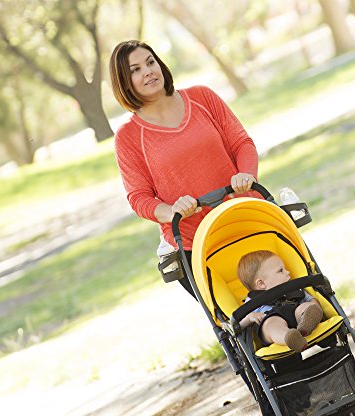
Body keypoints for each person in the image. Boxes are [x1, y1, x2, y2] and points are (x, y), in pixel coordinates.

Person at [109, 40, 260, 296]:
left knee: (285, 287)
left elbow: (241, 142)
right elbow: (138, 197)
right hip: (193, 241)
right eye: (135, 70)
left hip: (243, 215)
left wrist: (246, 173)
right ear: (124, 82)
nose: (147, 71)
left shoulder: (202, 97)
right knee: (240, 316)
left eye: (150, 62)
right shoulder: (128, 136)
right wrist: (171, 211)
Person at [237, 250, 324, 353]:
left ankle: (304, 328)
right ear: (261, 283)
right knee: (272, 325)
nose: (288, 272)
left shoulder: (292, 288)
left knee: (305, 307)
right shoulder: (252, 301)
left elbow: (310, 299)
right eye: (281, 270)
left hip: (296, 315)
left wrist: (313, 305)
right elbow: (237, 325)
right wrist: (250, 317)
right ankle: (290, 337)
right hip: (270, 319)